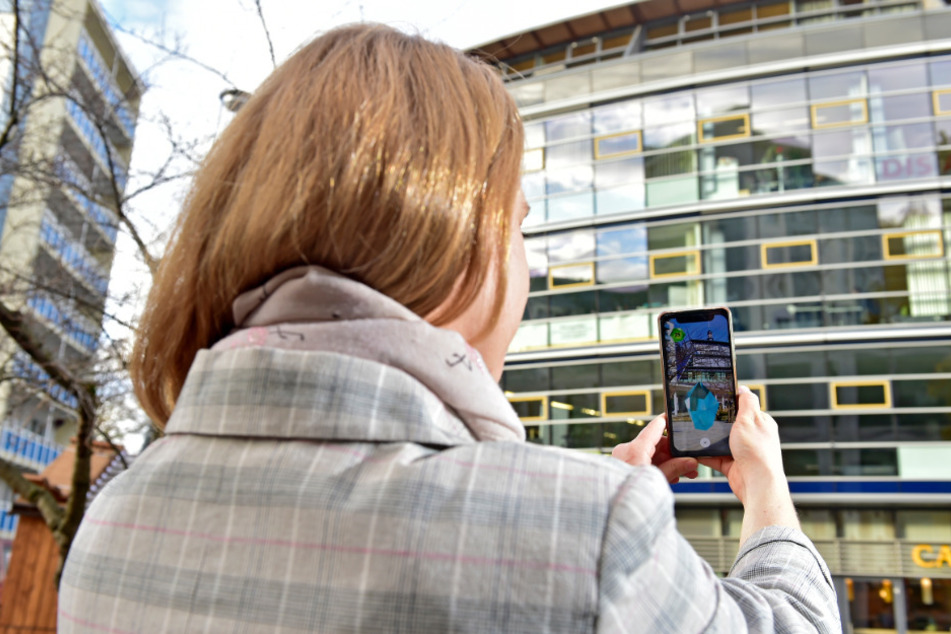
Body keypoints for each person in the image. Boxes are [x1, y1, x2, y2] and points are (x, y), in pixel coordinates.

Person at [58, 24, 840, 633]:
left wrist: (577, 495)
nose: (526, 266)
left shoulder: (114, 512)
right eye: (520, 227)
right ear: (451, 234)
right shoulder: (585, 532)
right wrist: (762, 487)